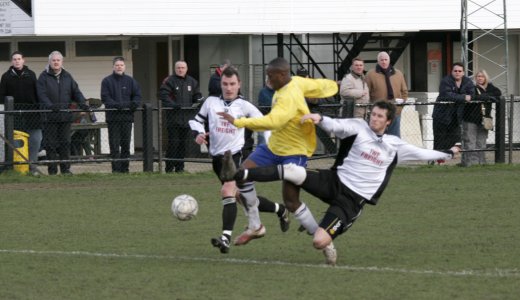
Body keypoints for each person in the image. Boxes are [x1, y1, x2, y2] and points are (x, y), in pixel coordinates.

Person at [220, 100, 461, 265]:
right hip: (334, 181)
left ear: (388, 122)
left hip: (351, 201)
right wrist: (319, 118)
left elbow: (423, 153)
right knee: (293, 171)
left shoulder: (394, 146)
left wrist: (448, 153)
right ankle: (240, 175)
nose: (374, 119)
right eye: (373, 114)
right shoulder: (358, 127)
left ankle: (328, 243)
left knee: (319, 241)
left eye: (379, 116)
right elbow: (337, 124)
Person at [217, 57, 338, 261]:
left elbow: (272, 121)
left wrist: (238, 121)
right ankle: (255, 226)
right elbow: (319, 86)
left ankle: (326, 242)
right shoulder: (296, 81)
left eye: (270, 75)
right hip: (273, 147)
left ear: (282, 75)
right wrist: (335, 85)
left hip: (295, 151)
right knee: (241, 176)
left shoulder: (287, 97)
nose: (268, 79)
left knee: (291, 201)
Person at [188, 67, 289, 254]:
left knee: (227, 190)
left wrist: (268, 148)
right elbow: (196, 120)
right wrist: (199, 134)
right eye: (225, 84)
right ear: (221, 84)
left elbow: (266, 124)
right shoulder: (210, 102)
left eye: (232, 84)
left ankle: (225, 238)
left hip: (236, 156)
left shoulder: (244, 106)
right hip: (217, 160)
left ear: (239, 85)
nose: (229, 88)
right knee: (241, 198)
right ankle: (280, 209)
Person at [37, 51, 89, 175]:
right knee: (51, 145)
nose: (56, 62)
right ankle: (52, 171)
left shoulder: (68, 76)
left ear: (61, 62)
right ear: (49, 62)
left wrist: (84, 104)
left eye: (58, 60)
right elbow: (41, 95)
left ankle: (65, 170)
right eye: (53, 60)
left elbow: (76, 92)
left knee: (65, 143)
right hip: (50, 117)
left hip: (65, 117)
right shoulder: (43, 77)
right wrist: (50, 107)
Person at [0, 51, 42, 175]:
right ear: (12, 61)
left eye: (19, 59)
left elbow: (37, 94)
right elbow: (2, 96)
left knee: (35, 140)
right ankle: (16, 167)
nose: (17, 61)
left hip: (31, 114)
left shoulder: (31, 75)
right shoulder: (6, 77)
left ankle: (32, 167)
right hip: (14, 116)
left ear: (24, 60)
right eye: (14, 59)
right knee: (15, 142)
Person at [159, 60, 203, 173]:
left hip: (187, 119)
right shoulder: (169, 81)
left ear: (186, 69)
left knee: (183, 145)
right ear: (175, 68)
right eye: (178, 67)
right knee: (173, 144)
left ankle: (180, 168)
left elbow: (196, 95)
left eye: (183, 67)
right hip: (173, 119)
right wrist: (173, 105)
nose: (180, 69)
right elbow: (163, 95)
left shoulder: (192, 82)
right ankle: (169, 168)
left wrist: (198, 99)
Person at [101, 56, 142, 173]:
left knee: (125, 144)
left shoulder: (131, 81)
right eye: (117, 65)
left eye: (121, 65)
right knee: (114, 145)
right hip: (113, 118)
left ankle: (125, 169)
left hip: (127, 118)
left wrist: (131, 106)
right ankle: (115, 170)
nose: (119, 67)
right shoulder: (107, 81)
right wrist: (118, 106)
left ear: (125, 67)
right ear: (113, 67)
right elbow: (105, 97)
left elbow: (137, 96)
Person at [432, 62, 475, 157]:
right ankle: (437, 160)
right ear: (452, 72)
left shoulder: (467, 81)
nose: (457, 73)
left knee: (454, 137)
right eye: (455, 71)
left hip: (456, 116)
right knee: (439, 139)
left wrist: (462, 97)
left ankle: (446, 156)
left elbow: (472, 94)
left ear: (463, 72)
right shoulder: (446, 81)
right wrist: (464, 97)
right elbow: (447, 95)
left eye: (460, 71)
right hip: (441, 115)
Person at [460, 69, 501, 166]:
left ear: (485, 78)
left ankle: (481, 163)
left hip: (484, 119)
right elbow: (471, 97)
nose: (480, 78)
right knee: (470, 141)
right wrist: (487, 97)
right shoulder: (470, 87)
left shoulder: (490, 87)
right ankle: (469, 163)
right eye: (478, 76)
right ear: (475, 78)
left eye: (482, 76)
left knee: (481, 142)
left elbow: (498, 93)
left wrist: (484, 96)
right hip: (470, 118)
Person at [366, 51, 408, 137]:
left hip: (395, 111)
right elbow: (366, 93)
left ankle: (394, 151)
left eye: (386, 59)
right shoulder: (371, 74)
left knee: (394, 137)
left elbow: (404, 92)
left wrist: (400, 105)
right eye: (382, 60)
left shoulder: (398, 74)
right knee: (377, 137)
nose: (384, 62)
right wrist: (372, 108)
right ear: (378, 61)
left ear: (389, 60)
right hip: (379, 112)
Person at [256, 76, 274, 145]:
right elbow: (265, 104)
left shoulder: (278, 91)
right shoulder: (263, 92)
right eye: (269, 81)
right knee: (263, 141)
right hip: (265, 118)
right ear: (266, 82)